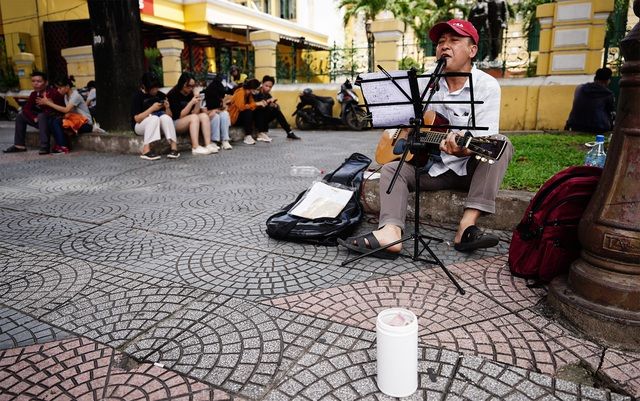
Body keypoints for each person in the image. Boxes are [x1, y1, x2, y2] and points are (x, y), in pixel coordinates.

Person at [338, 19, 513, 258]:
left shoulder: (487, 86)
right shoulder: (425, 83)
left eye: (454, 40)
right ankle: (390, 232)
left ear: (472, 50)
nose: (445, 46)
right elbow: (402, 121)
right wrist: (406, 132)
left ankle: (467, 227)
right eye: (441, 42)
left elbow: (486, 138)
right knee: (391, 168)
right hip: (434, 167)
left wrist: (464, 148)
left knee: (501, 143)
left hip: (471, 170)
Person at [3, 71, 64, 155]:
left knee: (42, 115)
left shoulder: (54, 93)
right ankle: (19, 145)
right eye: (33, 81)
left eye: (39, 81)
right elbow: (26, 109)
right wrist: (33, 117)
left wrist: (49, 104)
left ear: (46, 83)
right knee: (21, 116)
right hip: (41, 121)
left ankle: (45, 146)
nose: (35, 84)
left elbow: (61, 110)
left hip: (53, 122)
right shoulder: (34, 94)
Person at [35, 76, 93, 154]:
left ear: (67, 87)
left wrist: (49, 103)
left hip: (85, 124)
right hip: (75, 121)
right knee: (51, 120)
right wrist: (50, 103)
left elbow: (66, 110)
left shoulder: (76, 96)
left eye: (60, 88)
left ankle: (63, 146)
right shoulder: (66, 96)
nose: (58, 90)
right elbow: (68, 113)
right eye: (57, 88)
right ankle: (61, 144)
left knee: (56, 122)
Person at [130, 72, 180, 160]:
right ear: (145, 87)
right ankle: (146, 150)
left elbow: (170, 116)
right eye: (153, 88)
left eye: (157, 87)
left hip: (157, 124)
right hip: (140, 125)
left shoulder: (161, 95)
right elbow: (137, 119)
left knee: (165, 117)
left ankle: (174, 148)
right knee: (154, 118)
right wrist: (152, 109)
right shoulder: (137, 96)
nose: (155, 90)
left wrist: (167, 108)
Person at [167, 72, 217, 156]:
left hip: (189, 120)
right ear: (183, 84)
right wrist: (191, 102)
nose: (191, 88)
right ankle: (195, 147)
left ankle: (208, 144)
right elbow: (180, 115)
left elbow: (195, 113)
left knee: (204, 116)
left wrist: (198, 101)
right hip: (175, 122)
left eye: (193, 86)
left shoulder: (190, 93)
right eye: (189, 86)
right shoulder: (173, 94)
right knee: (193, 117)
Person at [565, 67, 616, 133]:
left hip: (575, 124)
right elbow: (611, 110)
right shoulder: (608, 94)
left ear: (595, 78)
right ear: (608, 80)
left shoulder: (580, 88)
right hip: (598, 127)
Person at [253, 75, 300, 141]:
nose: (268, 88)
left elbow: (273, 106)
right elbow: (255, 106)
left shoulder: (267, 94)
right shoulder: (256, 92)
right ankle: (261, 131)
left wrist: (274, 105)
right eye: (266, 86)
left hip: (263, 118)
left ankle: (289, 132)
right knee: (262, 109)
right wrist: (268, 101)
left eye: (270, 87)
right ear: (262, 84)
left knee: (276, 110)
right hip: (254, 118)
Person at [227, 78, 267, 145]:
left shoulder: (249, 95)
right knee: (248, 111)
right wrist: (256, 104)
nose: (258, 91)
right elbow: (241, 108)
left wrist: (260, 104)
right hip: (234, 118)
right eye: (257, 89)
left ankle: (261, 132)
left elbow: (252, 106)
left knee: (259, 109)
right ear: (252, 88)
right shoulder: (240, 92)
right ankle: (247, 135)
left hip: (241, 117)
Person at [203, 74, 233, 150]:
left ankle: (225, 140)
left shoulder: (219, 96)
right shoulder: (206, 95)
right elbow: (203, 113)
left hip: (217, 115)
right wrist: (214, 111)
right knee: (215, 116)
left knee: (224, 114)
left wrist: (223, 105)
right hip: (207, 118)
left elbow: (223, 108)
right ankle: (214, 140)